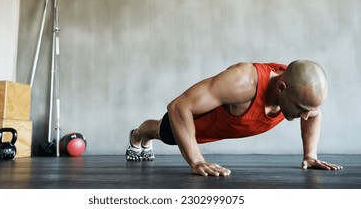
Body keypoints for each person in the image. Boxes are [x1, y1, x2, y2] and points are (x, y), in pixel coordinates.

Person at [126, 60, 343, 176]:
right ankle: (137, 137)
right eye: (301, 109)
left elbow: (314, 114)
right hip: (192, 125)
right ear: (281, 88)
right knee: (160, 132)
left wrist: (310, 155)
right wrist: (197, 161)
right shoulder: (244, 82)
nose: (305, 115)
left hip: (220, 129)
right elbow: (179, 106)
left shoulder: (299, 93)